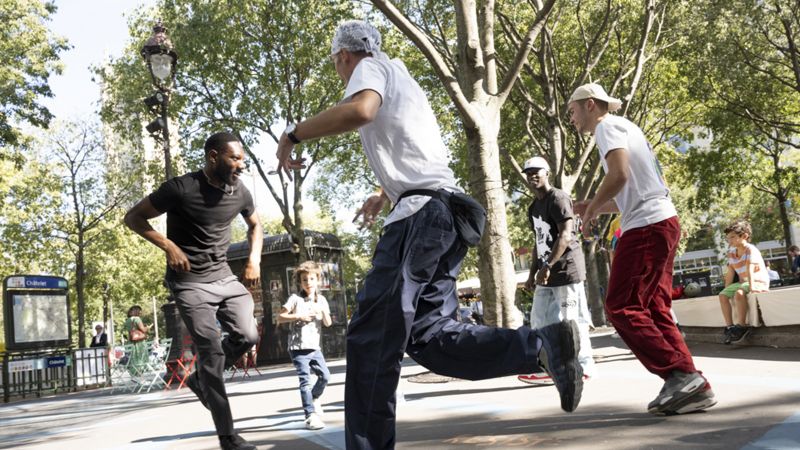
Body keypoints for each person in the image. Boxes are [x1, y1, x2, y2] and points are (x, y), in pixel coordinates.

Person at [275, 20, 583, 449]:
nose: (341, 73)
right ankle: (540, 345)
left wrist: (293, 134)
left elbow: (361, 109)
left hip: (420, 218)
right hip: (444, 213)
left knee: (371, 338)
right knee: (429, 336)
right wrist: (385, 192)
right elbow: (418, 149)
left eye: (337, 65)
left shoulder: (368, 67)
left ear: (343, 56)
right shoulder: (403, 79)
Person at [569, 83, 715, 415]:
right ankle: (689, 382)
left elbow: (619, 175)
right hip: (660, 219)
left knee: (621, 305)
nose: (571, 118)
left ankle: (681, 374)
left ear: (589, 105)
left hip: (647, 226)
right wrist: (589, 205)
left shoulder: (607, 127)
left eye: (572, 111)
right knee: (653, 307)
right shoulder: (625, 127)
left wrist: (591, 211)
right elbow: (628, 189)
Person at [124, 132, 262, 450]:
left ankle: (200, 379)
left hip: (225, 280)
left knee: (248, 336)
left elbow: (255, 225)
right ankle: (228, 437)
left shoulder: (240, 192)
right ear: (213, 156)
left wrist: (254, 259)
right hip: (189, 284)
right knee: (212, 351)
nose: (241, 165)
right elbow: (133, 217)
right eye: (234, 158)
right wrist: (169, 245)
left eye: (242, 158)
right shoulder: (180, 188)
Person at [517, 156, 596, 385]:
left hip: (566, 270)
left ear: (547, 173)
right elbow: (539, 242)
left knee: (571, 320)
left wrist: (547, 266)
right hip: (545, 273)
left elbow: (565, 235)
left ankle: (583, 367)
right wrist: (532, 273)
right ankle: (548, 367)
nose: (532, 176)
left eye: (536, 171)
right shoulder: (534, 207)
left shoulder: (558, 198)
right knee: (540, 320)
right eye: (528, 172)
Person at [277, 261, 332, 431]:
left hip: (314, 347)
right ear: (300, 282)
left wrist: (322, 311)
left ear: (318, 280)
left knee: (325, 376)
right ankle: (310, 416)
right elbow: (280, 317)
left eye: (311, 279)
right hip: (298, 348)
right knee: (305, 382)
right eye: (304, 280)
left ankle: (314, 398)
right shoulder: (295, 299)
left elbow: (328, 323)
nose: (308, 283)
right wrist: (298, 315)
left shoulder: (322, 300)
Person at [718, 220, 769, 344]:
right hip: (743, 281)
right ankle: (730, 327)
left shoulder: (750, 250)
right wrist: (726, 289)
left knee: (739, 293)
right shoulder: (731, 252)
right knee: (722, 295)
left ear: (744, 236)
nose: (729, 241)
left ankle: (741, 326)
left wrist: (752, 288)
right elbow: (730, 272)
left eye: (733, 237)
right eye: (728, 238)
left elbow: (750, 270)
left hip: (757, 280)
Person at [124, 305, 151, 374]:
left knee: (134, 359)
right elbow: (143, 330)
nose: (140, 312)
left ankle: (135, 376)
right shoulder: (137, 319)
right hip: (139, 343)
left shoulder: (128, 321)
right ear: (135, 311)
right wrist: (147, 328)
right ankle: (140, 376)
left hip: (131, 342)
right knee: (140, 360)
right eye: (139, 310)